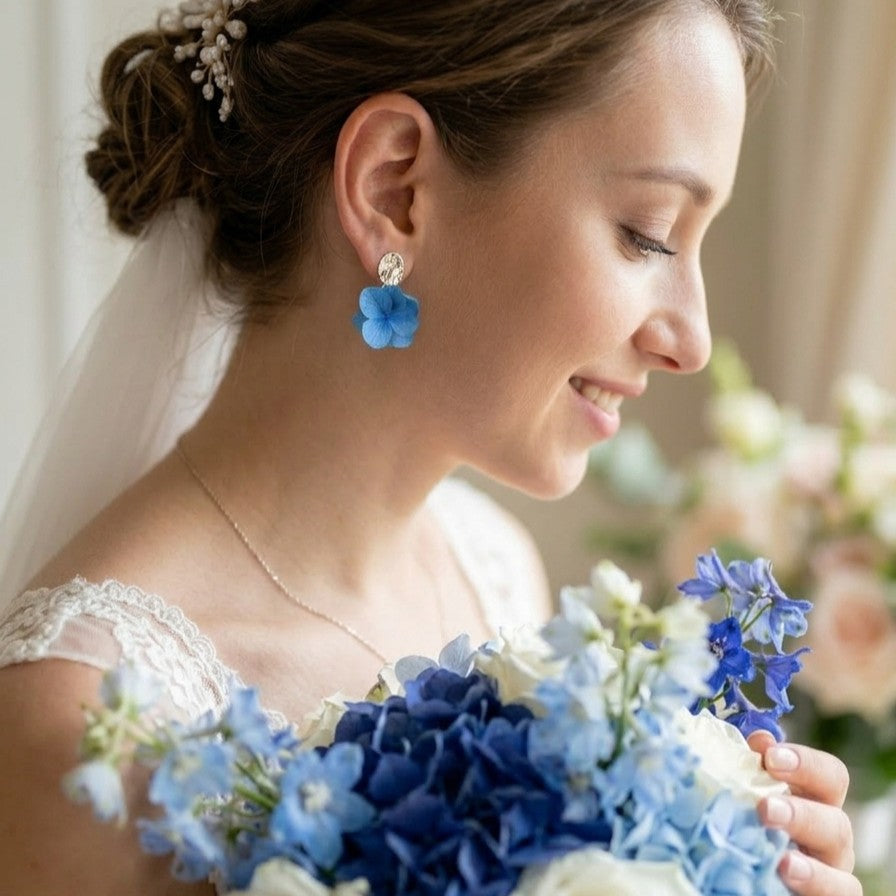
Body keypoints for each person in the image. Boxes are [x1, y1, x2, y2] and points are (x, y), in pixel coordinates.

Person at [0, 0, 859, 893]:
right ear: (394, 188)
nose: (693, 339)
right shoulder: (90, 725)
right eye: (647, 231)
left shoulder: (490, 564)